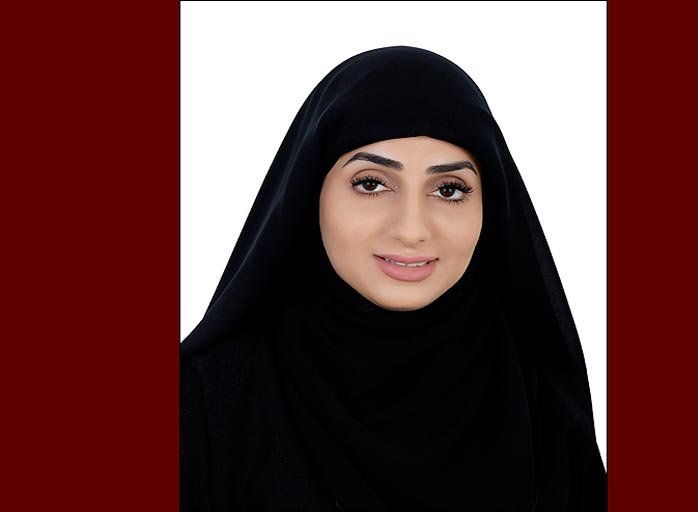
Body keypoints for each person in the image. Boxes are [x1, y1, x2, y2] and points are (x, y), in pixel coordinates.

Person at [180, 46, 607, 511]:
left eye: (449, 190)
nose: (411, 229)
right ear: (309, 192)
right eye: (371, 184)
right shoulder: (202, 404)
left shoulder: (541, 404)